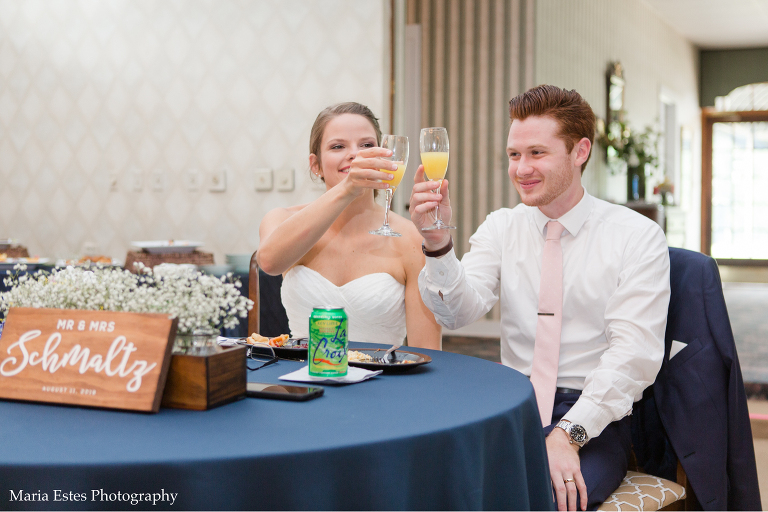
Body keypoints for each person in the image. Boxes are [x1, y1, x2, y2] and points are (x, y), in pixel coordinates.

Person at [409, 85, 670, 510]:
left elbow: (633, 356)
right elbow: (457, 313)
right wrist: (438, 246)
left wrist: (568, 435)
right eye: (514, 154)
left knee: (539, 499)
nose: (521, 169)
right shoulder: (501, 227)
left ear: (580, 151)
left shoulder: (636, 236)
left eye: (537, 153)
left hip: (592, 412)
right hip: (511, 403)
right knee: (437, 486)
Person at [258, 102, 441, 349]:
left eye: (367, 145)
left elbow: (427, 351)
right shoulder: (282, 219)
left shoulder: (410, 237)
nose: (355, 155)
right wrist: (347, 189)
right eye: (338, 146)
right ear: (315, 165)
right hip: (302, 372)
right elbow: (269, 262)